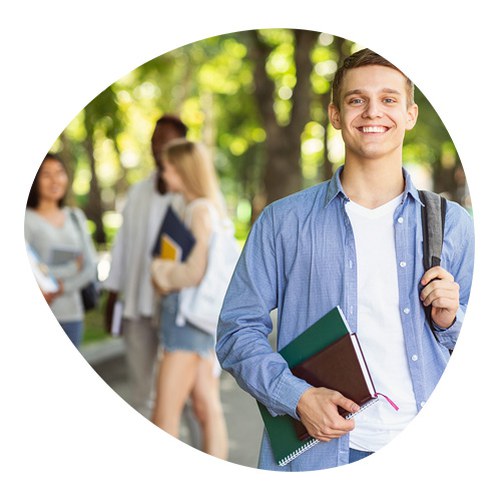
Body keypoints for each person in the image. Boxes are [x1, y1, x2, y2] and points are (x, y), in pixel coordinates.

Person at [216, 48, 474, 471]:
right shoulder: (284, 222)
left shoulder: (453, 225)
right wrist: (295, 397)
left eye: (389, 99)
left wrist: (452, 320)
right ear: (335, 114)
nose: (373, 111)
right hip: (321, 456)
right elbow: (236, 330)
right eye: (357, 99)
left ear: (410, 114)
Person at [103, 114, 187, 418]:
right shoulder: (138, 192)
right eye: (154, 140)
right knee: (141, 394)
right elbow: (122, 245)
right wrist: (113, 295)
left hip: (175, 309)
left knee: (182, 398)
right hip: (137, 305)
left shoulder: (189, 195)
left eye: (166, 140)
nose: (158, 146)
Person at [150, 139, 229, 460]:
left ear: (182, 171)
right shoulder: (207, 208)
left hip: (185, 324)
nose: (164, 175)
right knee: (206, 407)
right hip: (199, 322)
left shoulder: (197, 210)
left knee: (164, 416)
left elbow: (195, 271)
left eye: (167, 168)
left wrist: (161, 274)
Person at [25, 153, 98, 348]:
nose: (54, 180)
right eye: (46, 174)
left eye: (59, 173)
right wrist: (72, 267)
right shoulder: (26, 220)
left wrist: (61, 286)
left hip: (73, 315)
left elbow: (90, 267)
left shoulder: (75, 216)